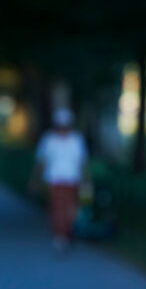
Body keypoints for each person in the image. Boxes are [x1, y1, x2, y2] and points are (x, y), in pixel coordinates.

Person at [31, 108, 89, 252]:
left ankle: (65, 233)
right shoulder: (50, 140)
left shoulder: (76, 140)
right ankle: (60, 235)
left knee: (69, 208)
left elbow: (82, 163)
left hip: (71, 180)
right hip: (55, 179)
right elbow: (42, 162)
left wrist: (86, 180)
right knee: (58, 208)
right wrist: (36, 180)